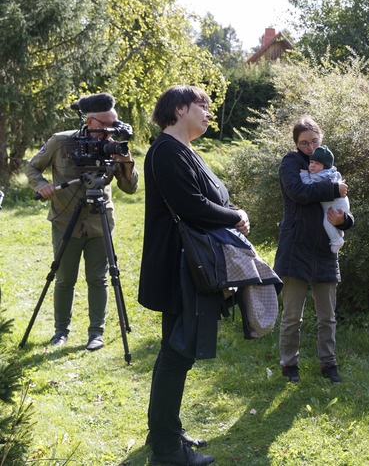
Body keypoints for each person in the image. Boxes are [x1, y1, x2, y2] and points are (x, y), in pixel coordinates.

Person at [139, 85, 252, 466]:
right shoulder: (167, 151)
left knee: (176, 353)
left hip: (188, 264)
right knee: (177, 353)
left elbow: (210, 197)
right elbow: (191, 205)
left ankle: (165, 431)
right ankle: (168, 451)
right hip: (179, 266)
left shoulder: (182, 150)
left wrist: (231, 210)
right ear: (180, 108)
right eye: (202, 106)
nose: (208, 113)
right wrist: (235, 216)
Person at [26, 92, 138, 351]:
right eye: (105, 126)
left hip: (100, 222)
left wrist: (126, 162)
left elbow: (130, 189)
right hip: (66, 220)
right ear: (89, 121)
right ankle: (60, 331)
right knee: (64, 279)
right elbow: (32, 167)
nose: (110, 132)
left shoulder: (114, 146)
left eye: (114, 125)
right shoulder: (61, 142)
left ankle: (96, 333)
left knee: (98, 279)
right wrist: (42, 185)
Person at [275, 116, 354, 384]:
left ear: (320, 138)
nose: (309, 147)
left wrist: (346, 222)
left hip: (324, 250)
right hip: (295, 246)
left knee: (327, 317)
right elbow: (298, 192)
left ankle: (328, 365)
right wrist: (332, 187)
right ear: (296, 143)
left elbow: (343, 204)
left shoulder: (328, 165)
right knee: (291, 316)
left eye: (314, 141)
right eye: (304, 143)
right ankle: (289, 365)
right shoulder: (290, 163)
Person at [299, 145, 350, 253]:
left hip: (336, 205)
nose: (312, 166)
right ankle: (339, 234)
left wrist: (303, 175)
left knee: (327, 222)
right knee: (333, 221)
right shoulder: (329, 174)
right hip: (342, 203)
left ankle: (337, 241)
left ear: (325, 167)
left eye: (317, 164)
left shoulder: (321, 176)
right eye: (311, 162)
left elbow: (309, 185)